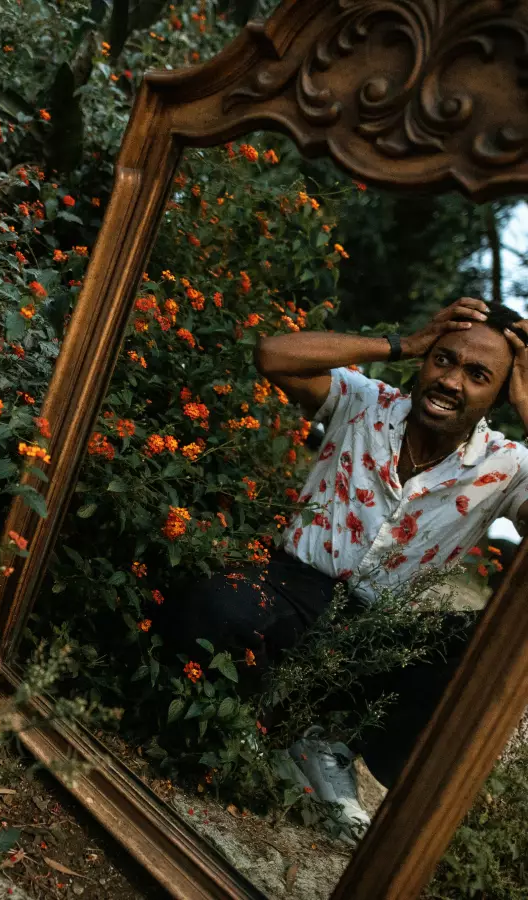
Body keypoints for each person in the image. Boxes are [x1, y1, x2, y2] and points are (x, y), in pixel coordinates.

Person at [158, 297, 528, 835]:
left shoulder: (508, 463)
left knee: (482, 644)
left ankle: (329, 747)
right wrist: (402, 343)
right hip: (291, 591)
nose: (451, 381)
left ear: (498, 394)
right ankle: (239, 724)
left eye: (477, 375)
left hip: (377, 634)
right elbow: (272, 354)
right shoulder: (364, 400)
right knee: (217, 603)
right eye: (443, 360)